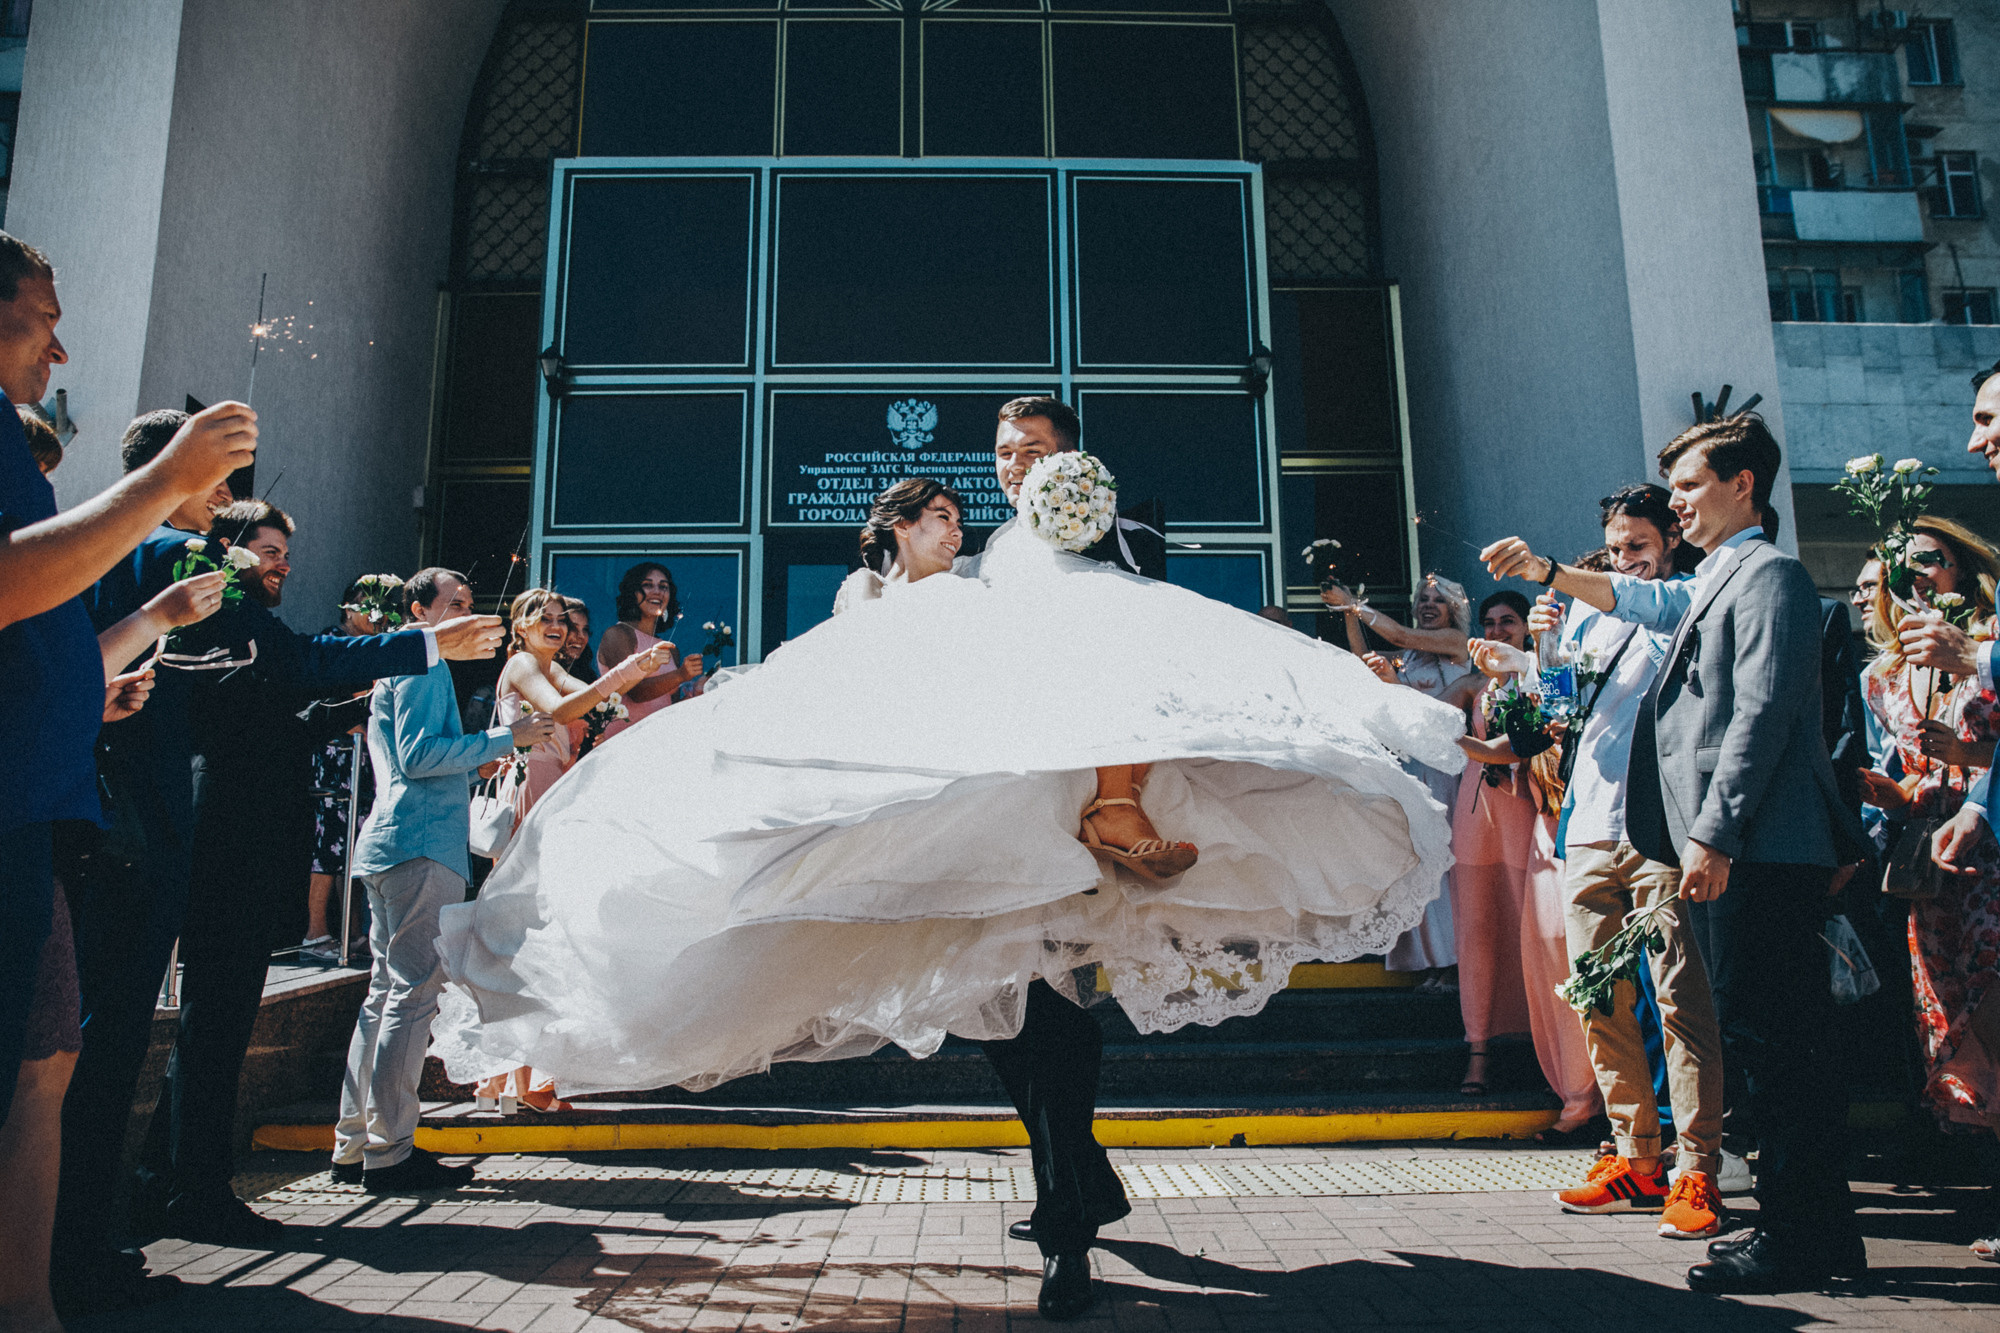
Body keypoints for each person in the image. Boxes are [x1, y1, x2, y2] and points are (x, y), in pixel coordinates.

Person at [435, 394, 1464, 1322]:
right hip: (988, 802)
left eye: (1034, 449)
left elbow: (1132, 637)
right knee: (1006, 1009)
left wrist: (1112, 788)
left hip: (1072, 799)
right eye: (1004, 451)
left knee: (1051, 1003)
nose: (1013, 465)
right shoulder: (978, 570)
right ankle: (1083, 1177)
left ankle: (1065, 1225)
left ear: (1073, 460)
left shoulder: (1095, 533)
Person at [53, 411, 503, 1306]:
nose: (269, 561)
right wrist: (423, 647)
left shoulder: (185, 584)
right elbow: (287, 668)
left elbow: (276, 690)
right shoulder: (158, 566)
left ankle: (147, 1197)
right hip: (165, 831)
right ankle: (101, 1235)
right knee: (123, 1042)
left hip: (187, 832)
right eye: (250, 534)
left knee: (176, 1031)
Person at [1484, 412, 1869, 1293]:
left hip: (1757, 847)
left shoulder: (1767, 574)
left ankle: (1800, 1233)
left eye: (1692, 487)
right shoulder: (1715, 579)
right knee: (1764, 1039)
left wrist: (1712, 833)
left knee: (1773, 1045)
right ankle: (1802, 1230)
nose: (1681, 504)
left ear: (1744, 485)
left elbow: (1761, 713)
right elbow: (1637, 613)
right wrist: (1549, 586)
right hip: (1698, 841)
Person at [0, 230, 258, 1330]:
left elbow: (41, 634)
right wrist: (164, 485)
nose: (57, 354)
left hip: (42, 809)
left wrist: (137, 635)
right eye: (40, 322)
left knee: (44, 1060)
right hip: (19, 814)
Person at [1521, 485, 1729, 1240]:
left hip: (1663, 827)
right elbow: (1556, 710)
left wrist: (1568, 579)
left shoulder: (1688, 600)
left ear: (1670, 540)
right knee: (1596, 997)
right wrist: (1545, 643)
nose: (1624, 560)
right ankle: (1636, 1156)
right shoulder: (1587, 611)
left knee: (1680, 999)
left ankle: (1698, 1166)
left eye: (1637, 545)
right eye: (1614, 548)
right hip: (1588, 826)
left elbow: (1654, 617)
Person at [331, 568, 557, 1193]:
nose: (465, 616)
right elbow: (420, 756)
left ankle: (355, 1141)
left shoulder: (398, 663)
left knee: (384, 993)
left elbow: (418, 753)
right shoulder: (423, 665)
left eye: (468, 604)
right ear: (418, 609)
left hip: (388, 842)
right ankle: (391, 1149)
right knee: (411, 994)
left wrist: (478, 747)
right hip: (421, 843)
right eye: (452, 605)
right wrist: (504, 736)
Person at [465, 587, 672, 1114]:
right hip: (531, 793)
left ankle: (527, 1076)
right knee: (524, 933)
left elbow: (603, 706)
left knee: (547, 934)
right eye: (544, 618)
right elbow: (563, 707)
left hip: (558, 790)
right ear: (520, 625)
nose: (557, 626)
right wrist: (624, 676)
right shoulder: (520, 666)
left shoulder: (552, 667)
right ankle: (515, 1077)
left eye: (562, 619)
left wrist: (616, 706)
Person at [1446, 592, 1601, 1140]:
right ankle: (1580, 1098)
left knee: (1570, 958)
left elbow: (1547, 727)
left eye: (1516, 622)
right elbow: (1525, 740)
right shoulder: (1534, 678)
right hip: (1548, 823)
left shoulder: (1571, 671)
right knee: (1550, 958)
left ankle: (1593, 1100)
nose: (1502, 631)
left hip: (1577, 825)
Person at [1322, 573, 1472, 986]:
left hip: (1444, 768)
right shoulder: (1411, 658)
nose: (1428, 605)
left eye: (1437, 600)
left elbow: (1402, 636)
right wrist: (1346, 614)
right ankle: (1426, 960)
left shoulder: (1456, 645)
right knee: (1415, 860)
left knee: (1446, 861)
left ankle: (1455, 961)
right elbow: (1364, 661)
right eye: (1423, 598)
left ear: (1454, 611)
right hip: (1410, 766)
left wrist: (1355, 603)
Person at [300, 578, 390, 967]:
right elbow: (326, 698)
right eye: (369, 605)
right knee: (330, 845)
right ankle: (314, 931)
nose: (378, 614)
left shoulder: (374, 649)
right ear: (349, 607)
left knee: (352, 845)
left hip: (361, 759)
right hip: (336, 756)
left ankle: (351, 931)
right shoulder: (333, 641)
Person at [595, 563, 704, 742]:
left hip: (657, 744)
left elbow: (671, 708)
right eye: (647, 585)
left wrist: (698, 692)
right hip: (622, 743)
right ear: (633, 592)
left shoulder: (670, 649)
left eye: (663, 586)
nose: (657, 592)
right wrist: (681, 675)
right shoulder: (618, 634)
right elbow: (636, 693)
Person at [559, 596, 597, 682]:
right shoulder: (544, 669)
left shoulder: (586, 675)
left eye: (585, 629)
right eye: (573, 628)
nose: (581, 636)